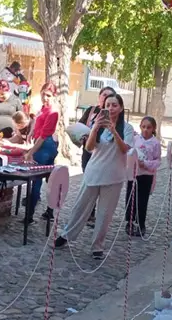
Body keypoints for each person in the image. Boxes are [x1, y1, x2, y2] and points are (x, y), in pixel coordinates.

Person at [55, 93, 134, 259]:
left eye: (114, 105)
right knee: (81, 206)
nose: (110, 108)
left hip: (114, 176)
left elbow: (125, 149)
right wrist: (95, 128)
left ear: (120, 108)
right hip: (94, 172)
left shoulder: (127, 128)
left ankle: (97, 245)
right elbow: (89, 148)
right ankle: (66, 235)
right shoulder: (96, 124)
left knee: (105, 214)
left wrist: (114, 130)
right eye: (108, 105)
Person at [78, 86, 118, 224]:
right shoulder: (91, 111)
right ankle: (89, 212)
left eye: (110, 96)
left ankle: (96, 213)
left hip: (102, 153)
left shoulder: (114, 116)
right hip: (88, 149)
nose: (106, 98)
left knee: (99, 181)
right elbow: (81, 124)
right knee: (88, 178)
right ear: (99, 97)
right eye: (104, 95)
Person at [24, 83, 60, 222]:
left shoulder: (53, 112)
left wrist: (30, 152)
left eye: (48, 95)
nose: (45, 98)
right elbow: (38, 120)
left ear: (54, 96)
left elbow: (44, 136)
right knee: (49, 180)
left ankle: (29, 216)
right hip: (44, 144)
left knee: (36, 181)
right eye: (43, 94)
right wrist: (32, 131)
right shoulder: (44, 108)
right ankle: (49, 211)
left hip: (46, 146)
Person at [124, 116, 161, 236]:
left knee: (142, 200)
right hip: (134, 174)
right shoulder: (135, 139)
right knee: (131, 197)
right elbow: (128, 152)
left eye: (148, 128)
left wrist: (145, 164)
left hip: (146, 175)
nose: (145, 130)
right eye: (143, 127)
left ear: (153, 129)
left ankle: (141, 224)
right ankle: (129, 222)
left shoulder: (155, 143)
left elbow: (157, 161)